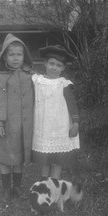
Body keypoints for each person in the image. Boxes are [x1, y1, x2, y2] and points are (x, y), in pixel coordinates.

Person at [0, 34, 34, 202]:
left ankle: (16, 186)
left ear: (24, 56)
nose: (16, 58)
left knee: (19, 157)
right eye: (11, 54)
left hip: (23, 126)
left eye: (19, 54)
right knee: (4, 156)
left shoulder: (30, 76)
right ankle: (5, 188)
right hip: (5, 125)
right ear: (4, 57)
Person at [31, 45, 80, 180]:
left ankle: (55, 182)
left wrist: (75, 123)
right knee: (46, 155)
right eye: (51, 63)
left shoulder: (63, 84)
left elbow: (72, 104)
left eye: (58, 65)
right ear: (45, 64)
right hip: (43, 125)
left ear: (63, 68)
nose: (54, 67)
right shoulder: (38, 81)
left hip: (60, 125)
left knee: (58, 157)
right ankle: (44, 181)